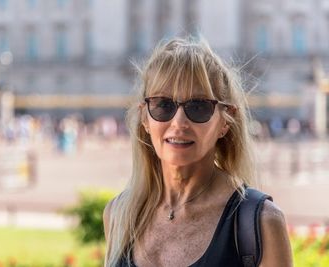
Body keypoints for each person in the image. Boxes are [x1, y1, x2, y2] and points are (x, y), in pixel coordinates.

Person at [103, 37, 293, 267]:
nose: (179, 122)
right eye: (163, 105)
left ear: (226, 121)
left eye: (199, 106)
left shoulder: (262, 223)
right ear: (144, 117)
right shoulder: (118, 215)